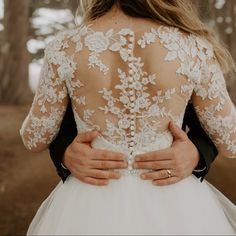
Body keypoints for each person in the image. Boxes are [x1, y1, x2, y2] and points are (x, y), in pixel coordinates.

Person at [20, 0, 236, 234]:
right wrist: (66, 152)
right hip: (173, 198)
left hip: (89, 201)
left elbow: (34, 138)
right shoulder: (194, 48)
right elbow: (231, 142)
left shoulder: (65, 48)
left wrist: (196, 153)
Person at [49, 102, 218, 185]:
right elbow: (51, 125)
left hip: (169, 187)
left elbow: (217, 125)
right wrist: (66, 154)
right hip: (93, 186)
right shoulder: (78, 46)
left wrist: (196, 154)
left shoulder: (188, 48)